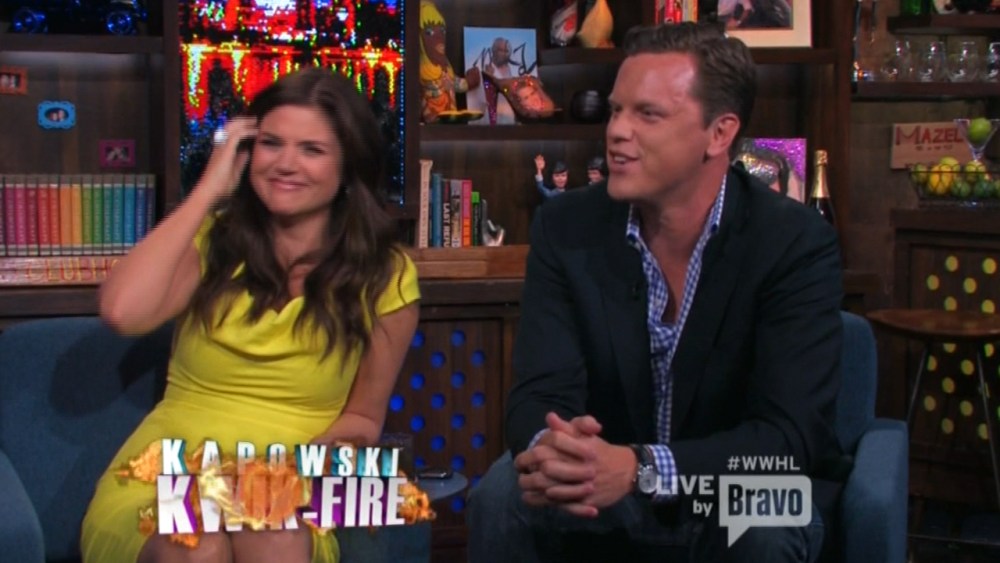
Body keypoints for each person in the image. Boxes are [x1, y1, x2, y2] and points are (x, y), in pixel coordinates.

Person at [468, 21, 842, 563]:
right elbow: (538, 392)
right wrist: (554, 450)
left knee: (767, 520)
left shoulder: (793, 243)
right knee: (504, 493)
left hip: (734, 483)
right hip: (606, 484)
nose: (616, 132)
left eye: (647, 114)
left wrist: (643, 468)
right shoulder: (566, 228)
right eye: (616, 110)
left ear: (719, 134)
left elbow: (788, 440)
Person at [81, 67, 420, 563]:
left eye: (312, 149)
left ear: (348, 166)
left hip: (286, 482)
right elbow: (121, 311)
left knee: (273, 534)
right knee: (195, 547)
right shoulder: (214, 243)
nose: (285, 164)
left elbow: (363, 417)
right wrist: (207, 192)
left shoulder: (384, 274)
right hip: (172, 477)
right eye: (270, 144)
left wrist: (297, 473)